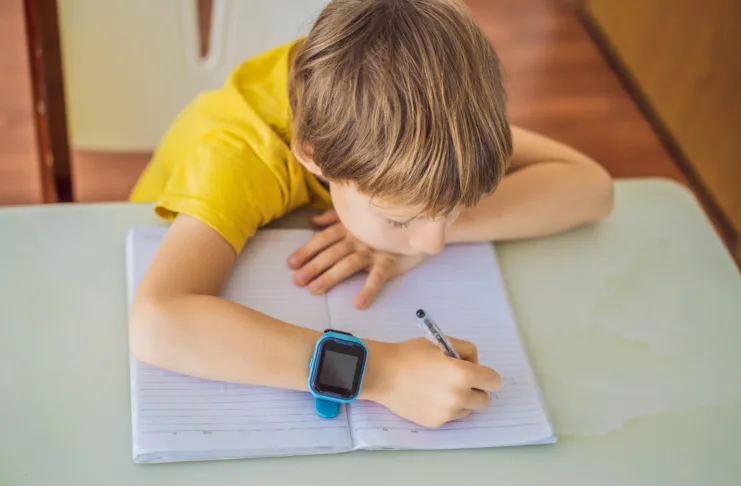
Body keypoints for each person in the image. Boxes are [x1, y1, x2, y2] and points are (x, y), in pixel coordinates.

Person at [128, 0, 613, 428]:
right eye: (401, 220)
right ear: (313, 155)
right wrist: (381, 373)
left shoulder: (424, 112)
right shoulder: (239, 154)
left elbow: (591, 188)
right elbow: (157, 324)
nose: (435, 244)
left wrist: (404, 238)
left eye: (455, 209)